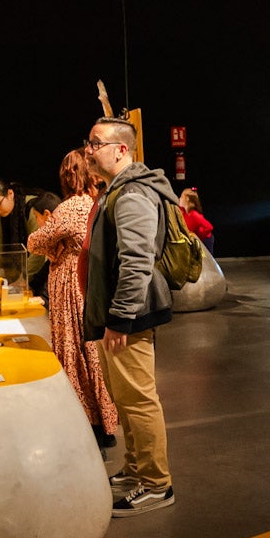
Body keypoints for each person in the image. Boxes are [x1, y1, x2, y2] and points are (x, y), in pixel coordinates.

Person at [81, 117, 176, 517]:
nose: (88, 151)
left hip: (129, 317)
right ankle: (136, 470)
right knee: (125, 398)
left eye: (95, 143)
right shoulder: (115, 190)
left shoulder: (134, 194)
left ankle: (156, 484)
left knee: (138, 400)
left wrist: (119, 318)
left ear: (121, 150)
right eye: (87, 143)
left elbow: (136, 262)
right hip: (116, 317)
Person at [27, 149, 119, 451]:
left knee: (73, 352)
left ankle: (85, 422)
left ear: (65, 177)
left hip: (69, 286)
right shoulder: (95, 205)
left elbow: (34, 242)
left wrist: (53, 245)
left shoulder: (68, 209)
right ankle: (107, 422)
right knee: (93, 354)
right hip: (92, 283)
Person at [0, 177, 51, 304]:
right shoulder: (0, 213)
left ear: (10, 194)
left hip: (42, 273)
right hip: (21, 275)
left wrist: (23, 280)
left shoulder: (31, 207)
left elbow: (39, 251)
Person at [179, 187, 215, 254]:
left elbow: (209, 227)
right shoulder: (184, 212)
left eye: (181, 197)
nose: (179, 199)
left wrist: (198, 236)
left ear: (187, 199)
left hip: (205, 240)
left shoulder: (194, 214)